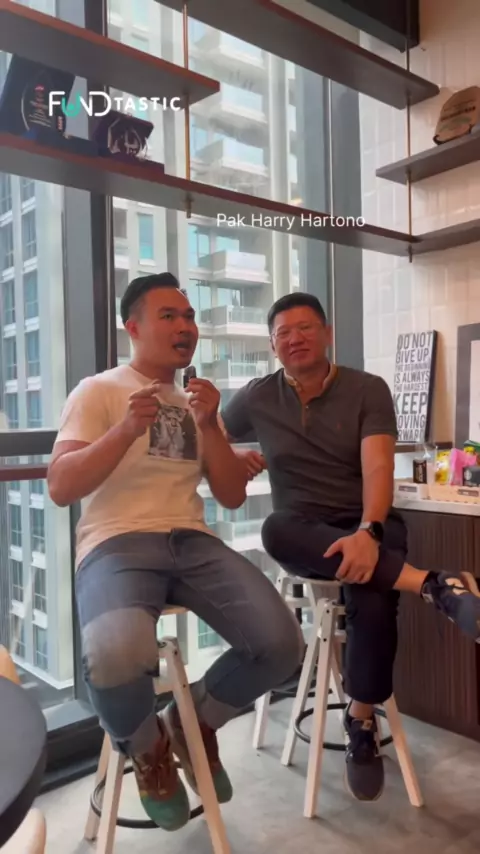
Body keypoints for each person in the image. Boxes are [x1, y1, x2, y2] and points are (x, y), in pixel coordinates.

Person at [47, 273, 304, 832]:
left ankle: (191, 727)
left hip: (190, 539)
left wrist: (210, 424)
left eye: (189, 317)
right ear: (133, 327)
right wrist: (124, 429)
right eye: (169, 316)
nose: (185, 326)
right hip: (115, 541)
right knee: (115, 654)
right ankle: (149, 749)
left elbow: (231, 496)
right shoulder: (98, 390)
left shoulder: (196, 402)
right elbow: (61, 486)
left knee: (282, 644)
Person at [221, 291, 480, 804]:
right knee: (274, 528)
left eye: (305, 328)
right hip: (303, 533)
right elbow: (207, 435)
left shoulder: (366, 389)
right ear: (272, 346)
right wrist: (230, 453)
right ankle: (433, 584)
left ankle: (360, 720)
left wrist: (368, 531)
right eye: (283, 333)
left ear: (327, 333)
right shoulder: (257, 397)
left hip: (369, 521)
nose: (294, 338)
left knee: (372, 592)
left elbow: (378, 466)